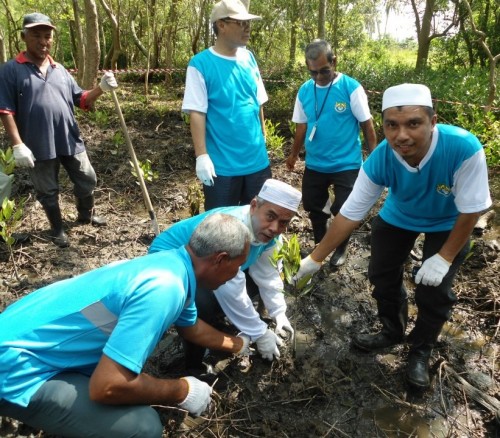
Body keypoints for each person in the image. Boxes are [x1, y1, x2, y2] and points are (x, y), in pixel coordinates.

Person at [295, 84, 492, 389]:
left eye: (414, 124)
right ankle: (392, 329)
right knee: (381, 273)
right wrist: (315, 258)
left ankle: (420, 350)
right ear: (383, 125)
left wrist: (444, 257)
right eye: (392, 125)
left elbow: (471, 210)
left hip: (449, 221)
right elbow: (349, 213)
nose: (401, 135)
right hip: (400, 214)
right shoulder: (381, 159)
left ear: (432, 121)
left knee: (434, 291)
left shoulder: (463, 148)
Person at [0, 213, 253, 437]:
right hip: (16, 369)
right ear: (219, 259)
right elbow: (107, 387)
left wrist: (239, 344)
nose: (238, 273)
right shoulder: (165, 289)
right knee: (143, 427)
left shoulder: (172, 265)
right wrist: (182, 390)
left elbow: (192, 328)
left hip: (23, 337)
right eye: (238, 265)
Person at [149, 178, 302, 371]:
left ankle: (217, 322)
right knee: (201, 305)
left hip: (206, 267)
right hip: (169, 265)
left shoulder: (270, 235)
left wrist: (279, 313)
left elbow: (267, 274)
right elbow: (232, 290)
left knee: (251, 285)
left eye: (283, 223)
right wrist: (260, 333)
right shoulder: (233, 230)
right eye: (270, 217)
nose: (274, 228)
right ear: (254, 206)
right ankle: (194, 365)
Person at [0, 12, 118, 248]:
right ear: (24, 37)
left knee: (87, 178)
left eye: (47, 36)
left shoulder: (60, 70)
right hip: (36, 143)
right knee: (47, 189)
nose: (43, 41)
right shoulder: (10, 70)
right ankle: (57, 229)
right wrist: (17, 144)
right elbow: (5, 110)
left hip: (69, 139)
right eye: (36, 36)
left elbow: (81, 100)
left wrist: (101, 88)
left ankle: (86, 214)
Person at [286, 39, 377, 267]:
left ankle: (341, 248)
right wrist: (293, 154)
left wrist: (375, 158)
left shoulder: (350, 88)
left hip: (346, 163)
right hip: (316, 163)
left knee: (344, 209)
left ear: (334, 61)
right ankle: (321, 244)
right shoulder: (305, 91)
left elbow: (367, 124)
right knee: (314, 207)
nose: (319, 77)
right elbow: (301, 126)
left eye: (324, 71)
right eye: (313, 73)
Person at [182, 0, 271, 210]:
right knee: (221, 228)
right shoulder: (200, 64)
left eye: (248, 23)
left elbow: (257, 100)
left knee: (258, 223)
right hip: (222, 166)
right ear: (221, 25)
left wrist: (263, 136)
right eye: (241, 23)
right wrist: (202, 156)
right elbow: (197, 112)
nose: (247, 28)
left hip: (257, 162)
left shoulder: (249, 58)